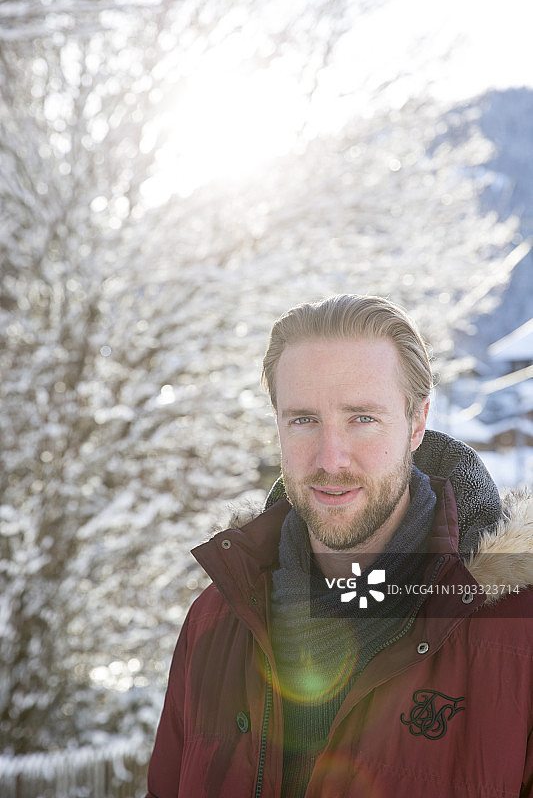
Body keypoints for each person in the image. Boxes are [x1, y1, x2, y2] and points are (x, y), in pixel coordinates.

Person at [145, 294, 533, 798]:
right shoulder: (214, 620)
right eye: (303, 419)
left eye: (362, 418)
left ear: (417, 423)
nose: (331, 459)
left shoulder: (519, 633)